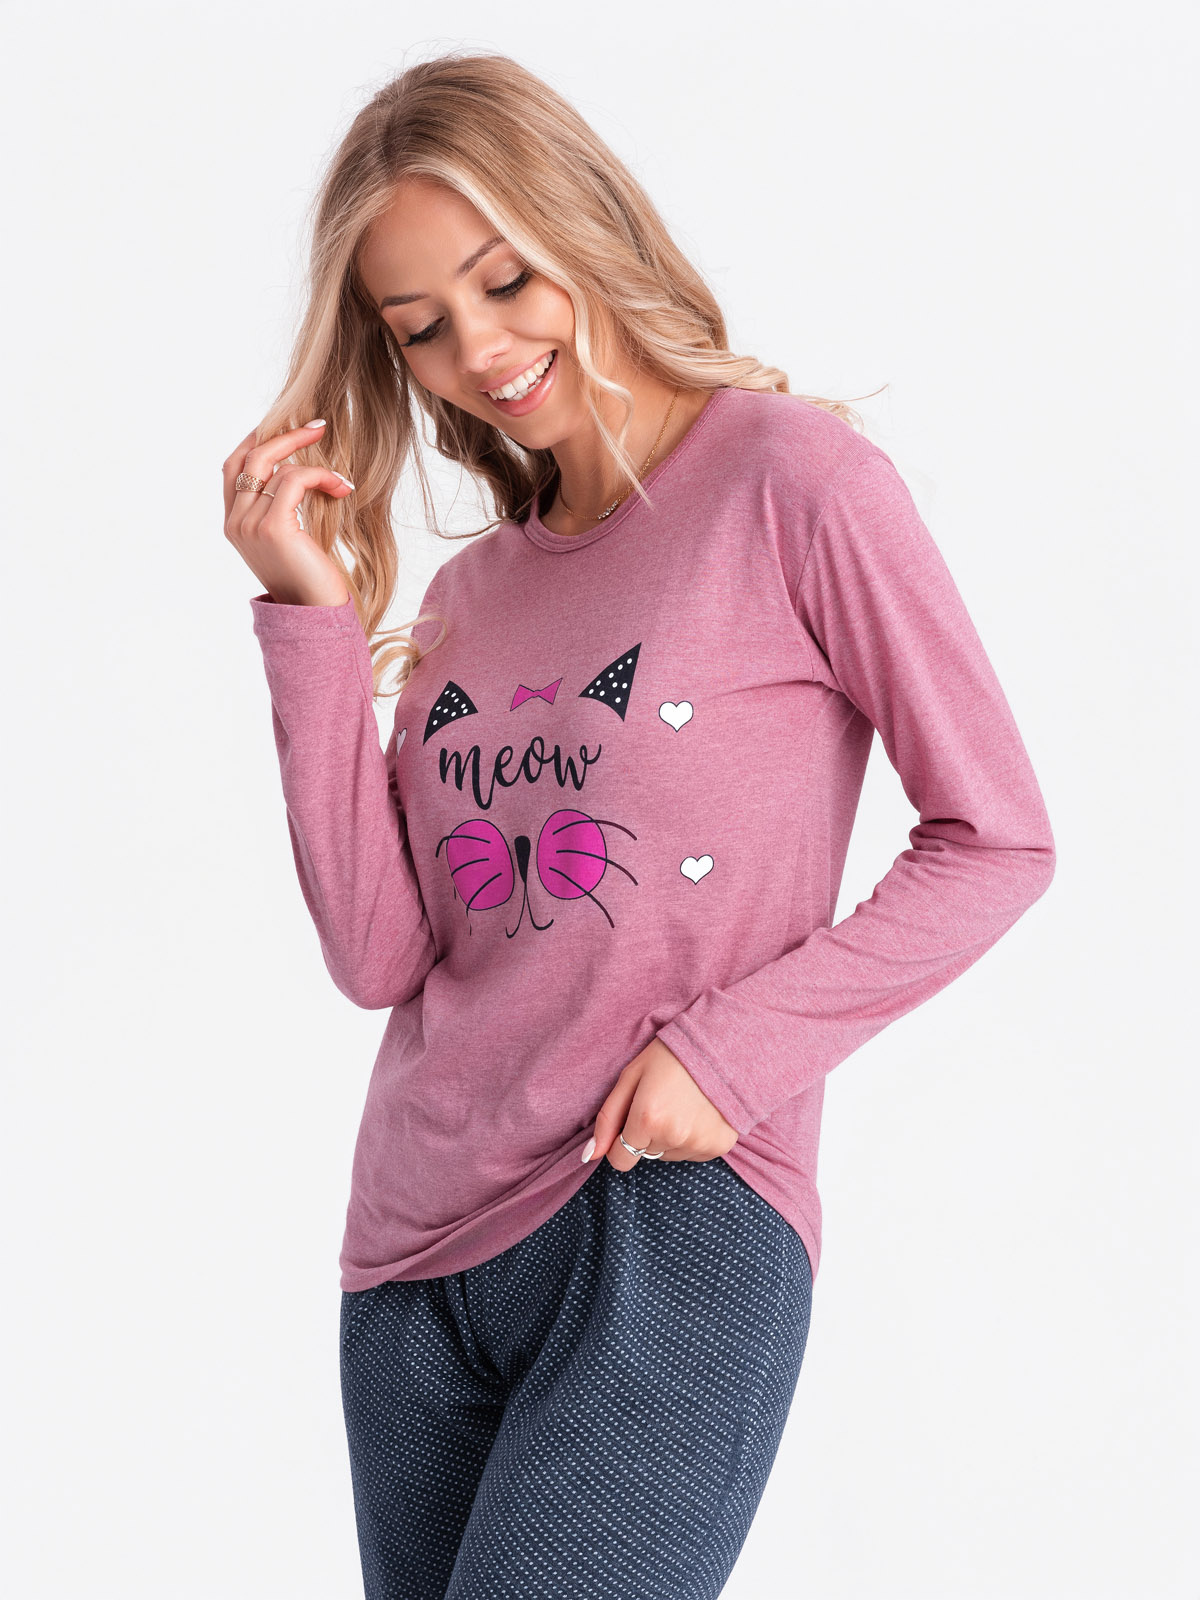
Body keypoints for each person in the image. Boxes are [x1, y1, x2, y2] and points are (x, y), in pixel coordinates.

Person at [223, 50, 1055, 1600]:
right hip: (410, 1263)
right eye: (421, 327)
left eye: (503, 280)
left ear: (582, 220)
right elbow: (380, 956)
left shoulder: (795, 485)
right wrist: (311, 620)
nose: (480, 349)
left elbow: (997, 838)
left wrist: (732, 1058)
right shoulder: (469, 600)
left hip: (665, 1220)